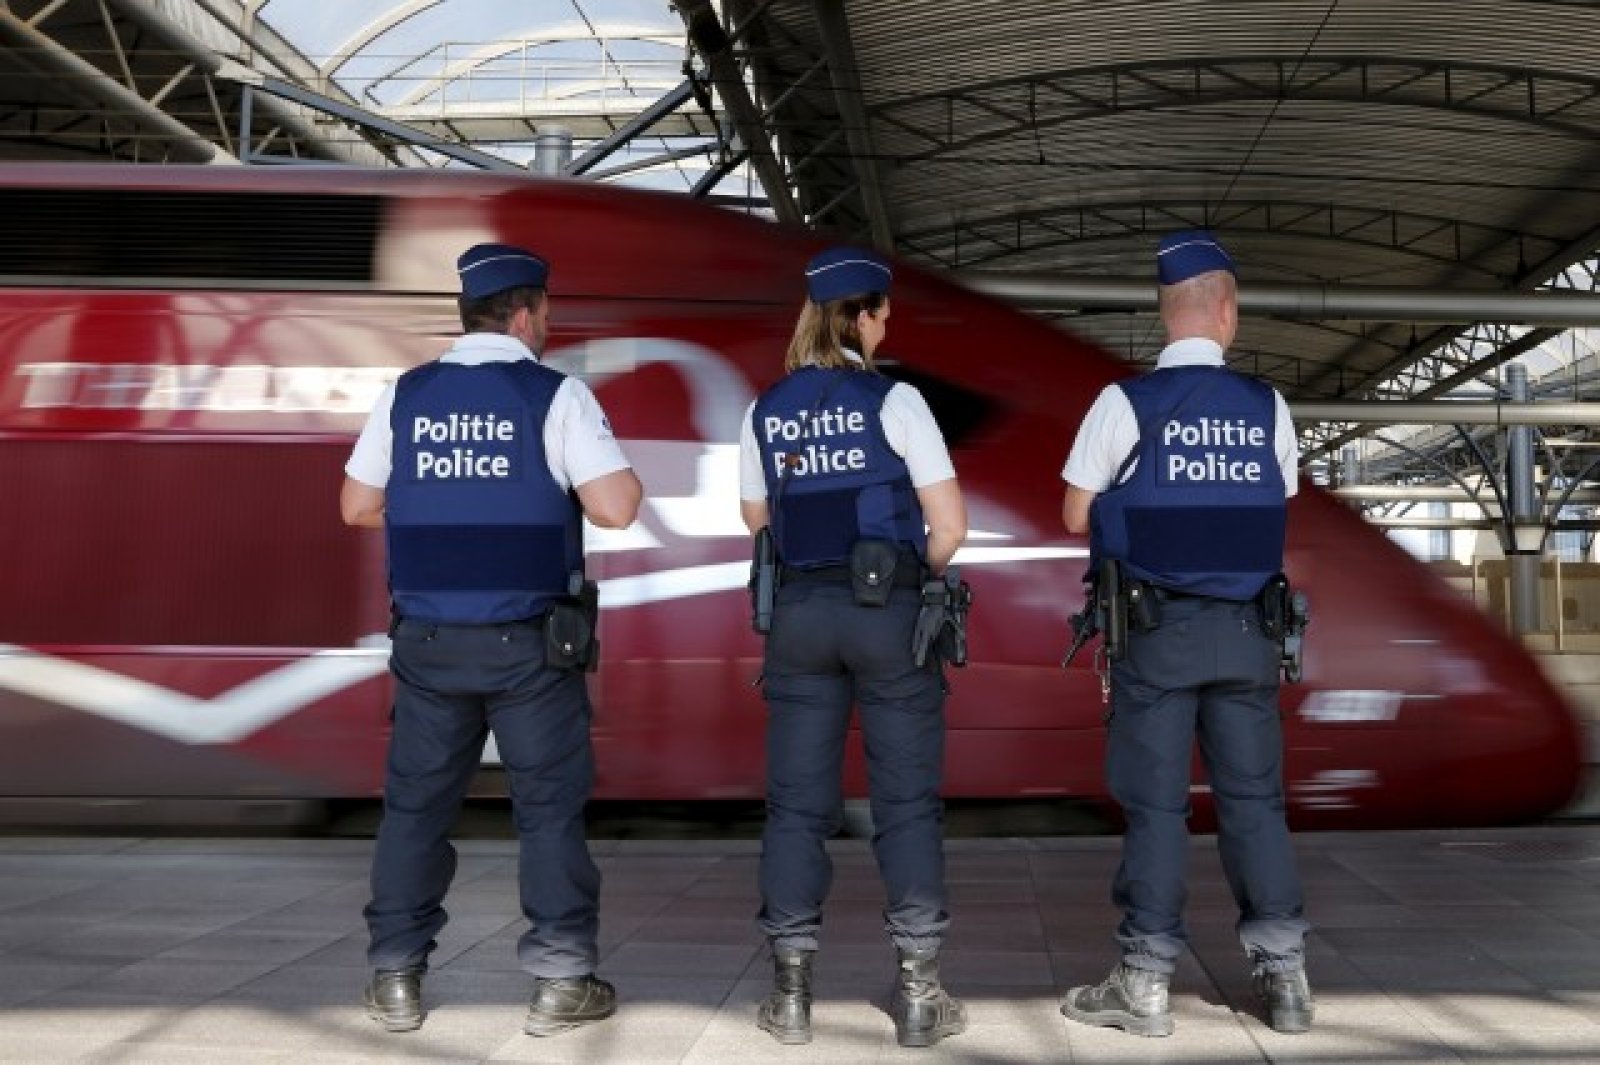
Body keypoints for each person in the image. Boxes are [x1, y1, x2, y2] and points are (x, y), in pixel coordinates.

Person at [340, 242, 642, 1038]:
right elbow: (616, 507)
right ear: (523, 314)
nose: (547, 324)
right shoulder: (554, 394)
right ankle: (561, 980)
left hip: (429, 643)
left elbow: (356, 505)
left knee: (415, 811)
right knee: (547, 812)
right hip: (528, 648)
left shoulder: (406, 394)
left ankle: (395, 977)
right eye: (545, 312)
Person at [1057, 230, 1313, 1038]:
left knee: (1157, 808)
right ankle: (1285, 975)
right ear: (1226, 313)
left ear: (1165, 314)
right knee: (1255, 803)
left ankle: (1144, 982)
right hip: (1248, 634)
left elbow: (1074, 512)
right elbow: (1274, 503)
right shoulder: (1268, 407)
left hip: (1156, 635)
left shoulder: (1122, 404)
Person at [737, 245, 969, 1049]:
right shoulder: (896, 400)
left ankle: (790, 992)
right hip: (887, 613)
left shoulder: (766, 409)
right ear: (861, 317)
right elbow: (950, 526)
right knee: (905, 802)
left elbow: (758, 522)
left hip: (800, 617)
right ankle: (919, 992)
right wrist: (906, 577)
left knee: (796, 806)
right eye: (883, 316)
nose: (886, 328)